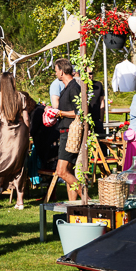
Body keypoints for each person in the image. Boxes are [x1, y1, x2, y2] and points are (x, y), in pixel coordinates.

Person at [0, 73, 31, 210]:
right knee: (20, 165)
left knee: (1, 164)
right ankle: (20, 202)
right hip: (21, 132)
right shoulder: (21, 97)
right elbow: (26, 119)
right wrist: (27, 134)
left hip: (5, 131)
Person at [52, 58, 83, 197]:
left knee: (62, 171)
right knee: (68, 171)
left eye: (56, 70)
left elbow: (79, 112)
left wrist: (60, 113)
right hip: (64, 131)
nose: (55, 74)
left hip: (70, 134)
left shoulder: (74, 87)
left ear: (62, 71)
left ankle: (85, 197)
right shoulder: (66, 88)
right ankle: (73, 205)